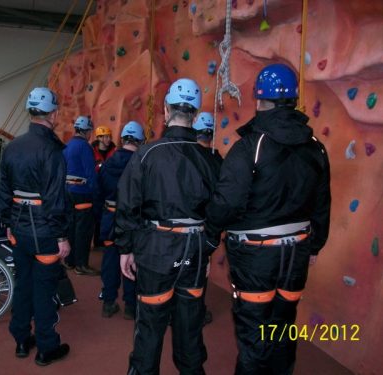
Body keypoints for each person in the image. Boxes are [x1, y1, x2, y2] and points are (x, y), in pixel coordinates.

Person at [211, 63, 331, 374]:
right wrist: (314, 246)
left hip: (255, 256)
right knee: (283, 326)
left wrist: (210, 229)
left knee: (254, 333)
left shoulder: (250, 147)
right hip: (297, 253)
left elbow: (227, 203)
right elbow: (321, 204)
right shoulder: (316, 147)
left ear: (260, 99)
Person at [115, 78, 222, 374]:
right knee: (190, 323)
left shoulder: (146, 154)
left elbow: (128, 204)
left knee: (150, 324)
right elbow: (221, 209)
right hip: (193, 253)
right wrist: (208, 245)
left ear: (165, 110)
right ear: (196, 115)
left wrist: (126, 249)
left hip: (157, 251)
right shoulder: (210, 160)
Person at [0, 87, 71, 366]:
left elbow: (2, 191)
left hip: (18, 230)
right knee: (43, 290)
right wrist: (62, 235)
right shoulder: (51, 150)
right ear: (52, 114)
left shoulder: (12, 146)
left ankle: (20, 340)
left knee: (23, 285)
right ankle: (46, 348)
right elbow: (55, 199)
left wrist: (7, 222)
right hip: (45, 234)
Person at [96, 121, 145, 320]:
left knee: (110, 260)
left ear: (122, 139)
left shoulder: (108, 162)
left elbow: (98, 191)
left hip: (110, 217)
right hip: (133, 220)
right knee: (132, 260)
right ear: (140, 141)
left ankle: (109, 302)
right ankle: (131, 306)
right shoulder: (141, 162)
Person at [192, 111, 224, 326]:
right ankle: (196, 312)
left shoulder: (185, 154)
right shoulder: (216, 159)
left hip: (183, 223)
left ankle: (176, 310)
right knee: (199, 270)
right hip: (205, 224)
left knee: (180, 265)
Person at [63, 115, 99, 276]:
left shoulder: (68, 145)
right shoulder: (85, 147)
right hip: (82, 193)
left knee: (71, 227)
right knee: (83, 229)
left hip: (68, 191)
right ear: (87, 131)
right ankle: (81, 264)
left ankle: (70, 261)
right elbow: (90, 172)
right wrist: (96, 192)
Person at [92, 125, 116, 248]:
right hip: (95, 188)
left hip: (108, 188)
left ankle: (103, 240)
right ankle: (97, 241)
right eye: (106, 136)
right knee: (95, 215)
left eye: (109, 136)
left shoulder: (114, 151)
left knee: (105, 215)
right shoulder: (92, 151)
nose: (108, 139)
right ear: (99, 138)